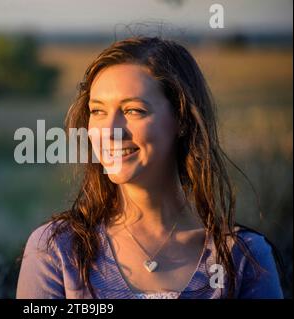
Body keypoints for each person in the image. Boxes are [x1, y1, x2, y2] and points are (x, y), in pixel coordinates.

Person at [16, 36, 284, 299]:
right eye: (98, 111)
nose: (109, 132)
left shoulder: (241, 257)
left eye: (134, 111)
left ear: (181, 120)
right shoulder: (58, 250)